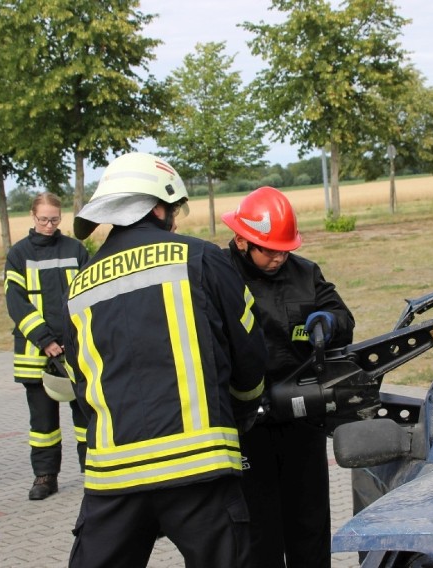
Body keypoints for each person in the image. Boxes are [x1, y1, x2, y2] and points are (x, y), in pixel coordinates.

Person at [64, 152, 268, 568]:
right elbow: (247, 351)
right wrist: (244, 410)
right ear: (157, 206)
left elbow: (80, 380)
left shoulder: (78, 285)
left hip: (114, 478)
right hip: (200, 470)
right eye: (173, 209)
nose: (174, 218)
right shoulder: (201, 257)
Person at [221, 186, 355, 568]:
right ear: (243, 240)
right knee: (258, 528)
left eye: (286, 249)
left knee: (309, 523)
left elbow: (343, 318)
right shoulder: (217, 275)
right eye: (270, 250)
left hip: (302, 415)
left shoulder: (306, 272)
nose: (280, 257)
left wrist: (328, 321)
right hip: (247, 421)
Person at [4, 191, 90, 500]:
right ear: (33, 217)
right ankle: (45, 477)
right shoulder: (18, 254)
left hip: (75, 350)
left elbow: (89, 294)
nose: (50, 225)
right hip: (36, 354)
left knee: (85, 415)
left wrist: (72, 339)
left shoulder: (76, 250)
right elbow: (16, 303)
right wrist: (45, 340)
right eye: (44, 219)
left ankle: (92, 471)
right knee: (43, 423)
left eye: (55, 219)